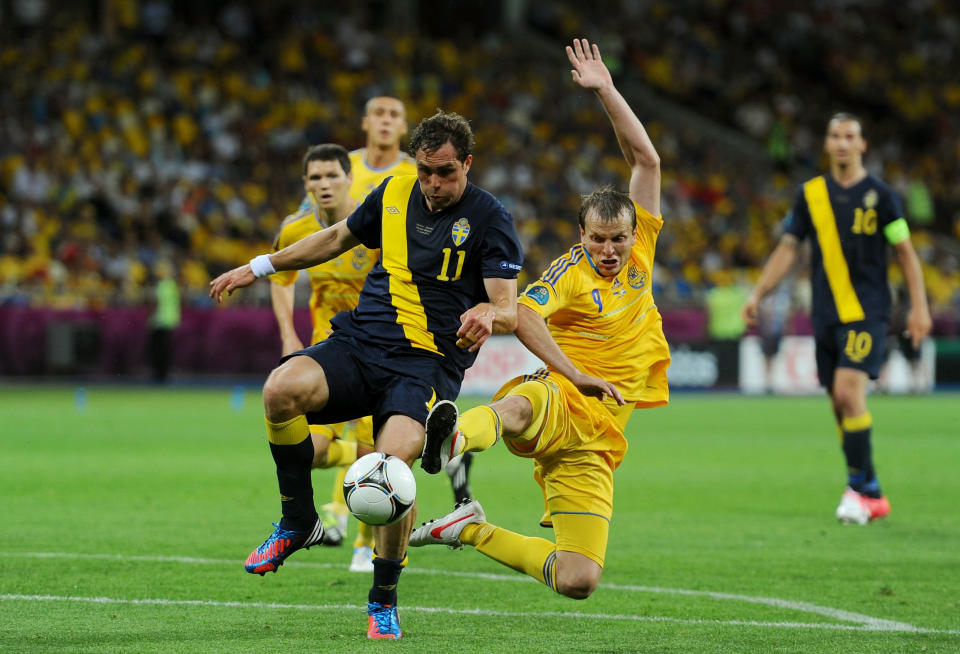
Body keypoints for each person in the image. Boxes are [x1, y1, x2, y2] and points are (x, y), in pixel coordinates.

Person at [210, 110, 524, 639]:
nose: (432, 183)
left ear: (467, 164)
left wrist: (490, 314)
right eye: (425, 170)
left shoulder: (491, 219)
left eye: (445, 172)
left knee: (392, 470)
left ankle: (383, 599)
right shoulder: (394, 192)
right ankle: (298, 521)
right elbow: (334, 239)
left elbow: (509, 307)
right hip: (362, 340)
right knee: (280, 390)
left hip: (426, 364)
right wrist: (260, 266)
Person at [410, 39, 670, 601]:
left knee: (578, 579)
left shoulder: (642, 244)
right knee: (521, 406)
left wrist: (605, 89)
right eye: (597, 239)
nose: (609, 250)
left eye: (618, 239)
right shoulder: (570, 272)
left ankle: (469, 528)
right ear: (582, 235)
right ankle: (454, 435)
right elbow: (525, 310)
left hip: (600, 437)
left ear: (634, 233)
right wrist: (572, 374)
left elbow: (645, 160)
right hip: (566, 394)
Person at [742, 112, 932, 524]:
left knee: (849, 393)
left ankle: (857, 490)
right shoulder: (810, 195)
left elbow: (905, 254)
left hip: (868, 312)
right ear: (826, 144)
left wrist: (919, 307)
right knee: (837, 405)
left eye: (850, 136)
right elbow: (789, 248)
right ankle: (872, 490)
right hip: (825, 315)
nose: (842, 143)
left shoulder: (882, 196)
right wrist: (759, 292)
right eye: (835, 136)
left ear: (862, 145)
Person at [268, 143, 379, 565]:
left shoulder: (371, 222)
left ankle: (365, 546)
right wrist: (287, 335)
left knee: (374, 459)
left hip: (375, 350)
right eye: (315, 177)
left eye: (332, 175)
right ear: (305, 185)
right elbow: (280, 277)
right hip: (326, 351)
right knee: (309, 451)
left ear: (350, 177)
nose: (324, 184)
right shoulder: (296, 229)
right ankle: (357, 457)